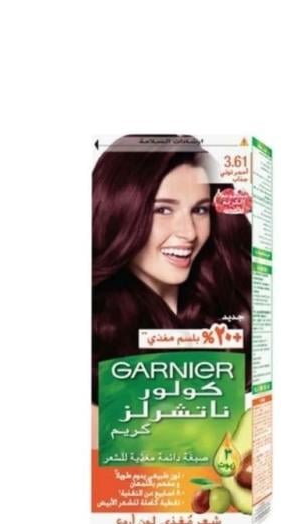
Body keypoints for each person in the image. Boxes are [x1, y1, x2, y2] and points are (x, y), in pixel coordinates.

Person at [92, 134, 252, 410]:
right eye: (163, 210)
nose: (189, 233)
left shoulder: (226, 311)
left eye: (200, 210)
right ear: (119, 213)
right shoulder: (96, 334)